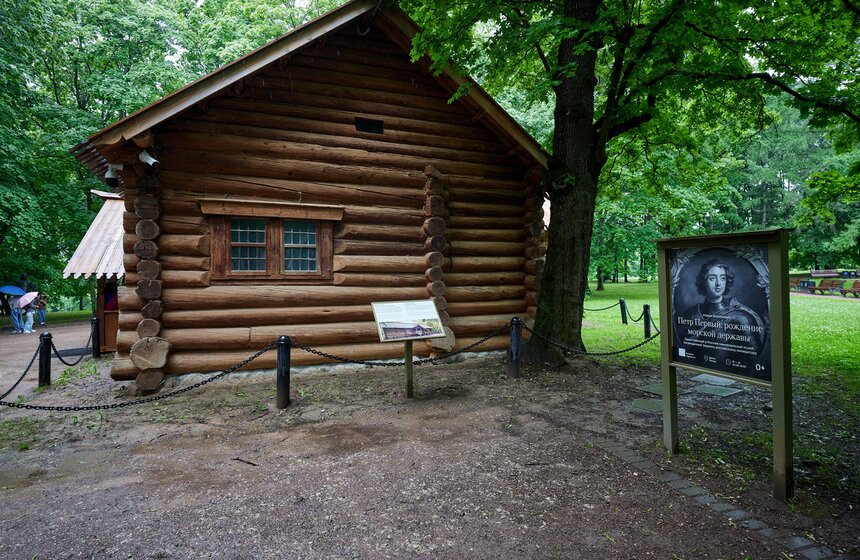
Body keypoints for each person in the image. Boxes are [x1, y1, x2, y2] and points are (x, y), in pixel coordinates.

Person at [675, 259, 768, 368]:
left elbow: (756, 360)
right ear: (704, 281)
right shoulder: (691, 314)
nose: (718, 283)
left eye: (723, 278)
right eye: (712, 278)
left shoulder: (740, 317)